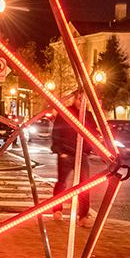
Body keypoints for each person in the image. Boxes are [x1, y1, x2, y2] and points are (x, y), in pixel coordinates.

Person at [50, 89, 95, 227]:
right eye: (79, 99)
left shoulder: (88, 116)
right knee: (62, 183)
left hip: (81, 154)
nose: (81, 102)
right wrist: (59, 150)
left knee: (84, 185)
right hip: (66, 153)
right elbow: (56, 132)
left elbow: (93, 133)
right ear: (75, 99)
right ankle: (57, 210)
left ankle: (83, 216)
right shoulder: (66, 113)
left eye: (84, 100)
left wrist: (88, 149)